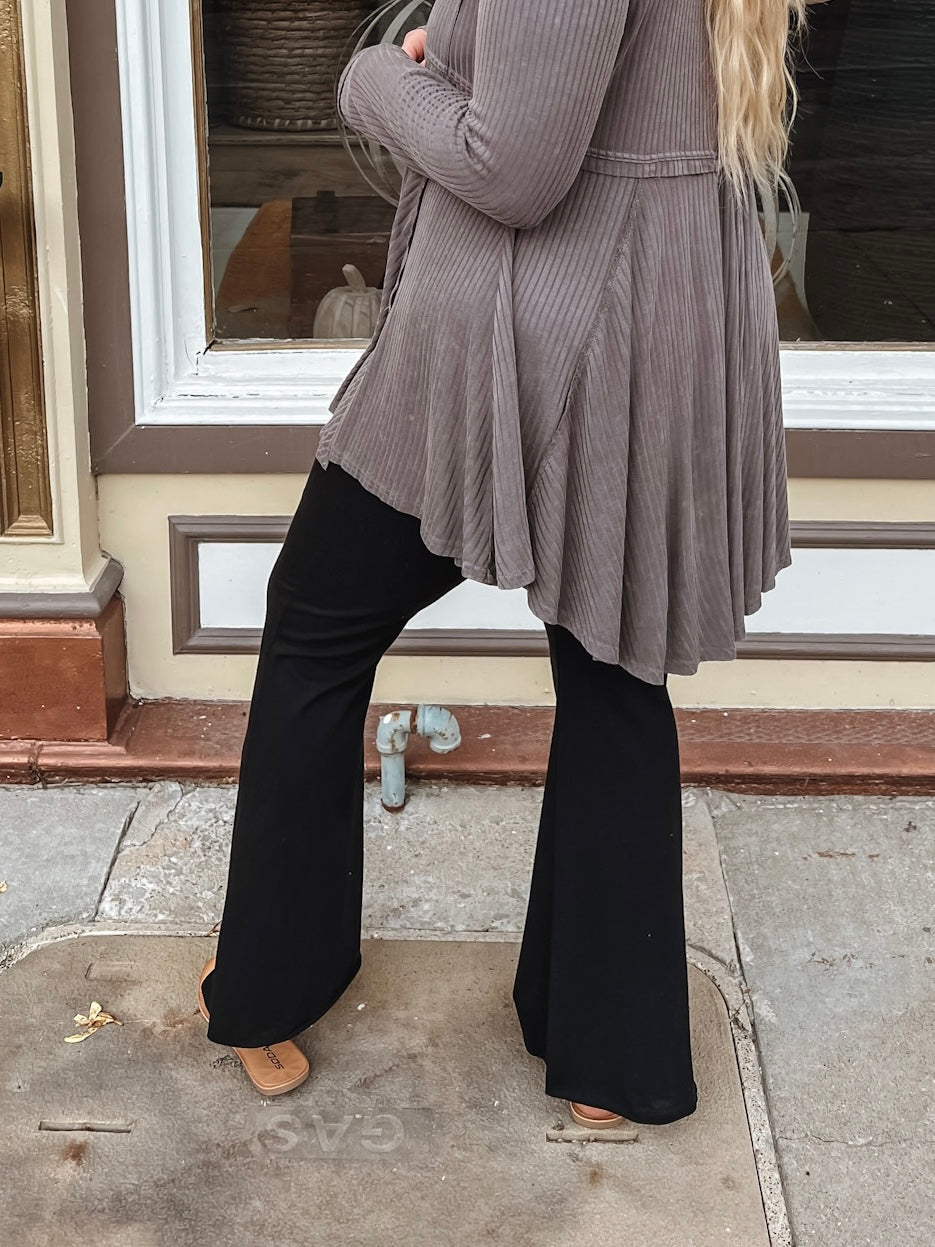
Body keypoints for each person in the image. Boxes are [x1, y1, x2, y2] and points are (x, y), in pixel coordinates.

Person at [197, 0, 804, 1125]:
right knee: (613, 668)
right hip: (653, 305)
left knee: (316, 626)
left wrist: (378, 77)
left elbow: (512, 169)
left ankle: (267, 984)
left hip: (530, 321)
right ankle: (611, 1056)